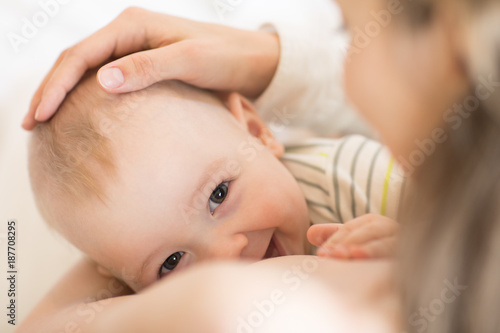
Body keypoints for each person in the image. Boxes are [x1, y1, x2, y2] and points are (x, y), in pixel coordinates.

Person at [23, 0, 500, 331]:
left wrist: (407, 246)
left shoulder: (360, 178)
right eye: (171, 262)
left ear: (257, 132)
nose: (226, 254)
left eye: (218, 196)